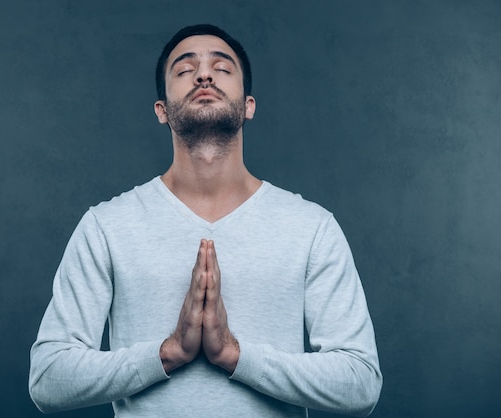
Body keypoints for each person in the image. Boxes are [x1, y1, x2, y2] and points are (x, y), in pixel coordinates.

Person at [29, 24, 382, 417]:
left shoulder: (311, 228)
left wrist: (235, 355)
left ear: (249, 105)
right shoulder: (106, 227)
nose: (203, 75)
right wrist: (168, 354)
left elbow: (361, 381)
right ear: (162, 111)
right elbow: (47, 378)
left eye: (222, 67)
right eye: (184, 70)